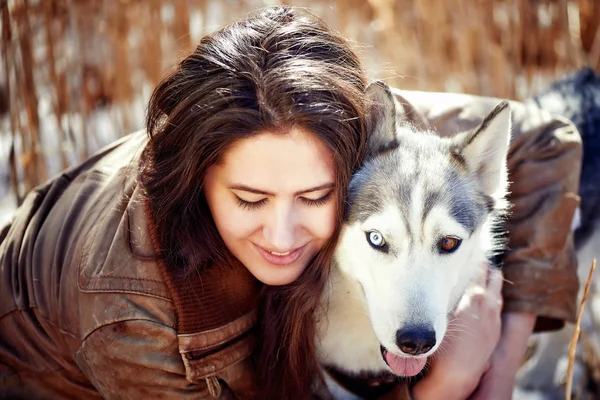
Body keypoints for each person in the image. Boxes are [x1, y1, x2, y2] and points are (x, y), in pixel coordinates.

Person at [0, 6, 581, 400]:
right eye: (250, 198)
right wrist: (446, 387)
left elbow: (545, 139)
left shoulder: (328, 122)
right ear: (197, 173)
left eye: (315, 195)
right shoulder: (132, 317)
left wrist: (503, 357)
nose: (282, 235)